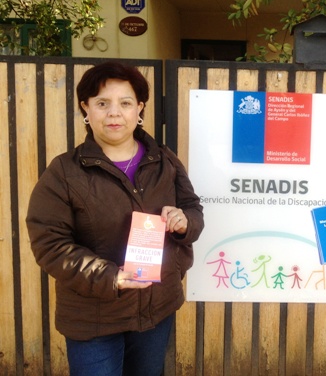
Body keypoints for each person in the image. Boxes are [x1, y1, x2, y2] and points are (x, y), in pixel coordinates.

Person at [26, 61, 205, 376]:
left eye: (125, 103)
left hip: (155, 309)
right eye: (102, 103)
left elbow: (192, 209)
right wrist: (111, 276)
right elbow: (49, 244)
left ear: (139, 109)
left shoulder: (165, 161)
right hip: (93, 317)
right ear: (86, 109)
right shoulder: (64, 172)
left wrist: (183, 221)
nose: (114, 112)